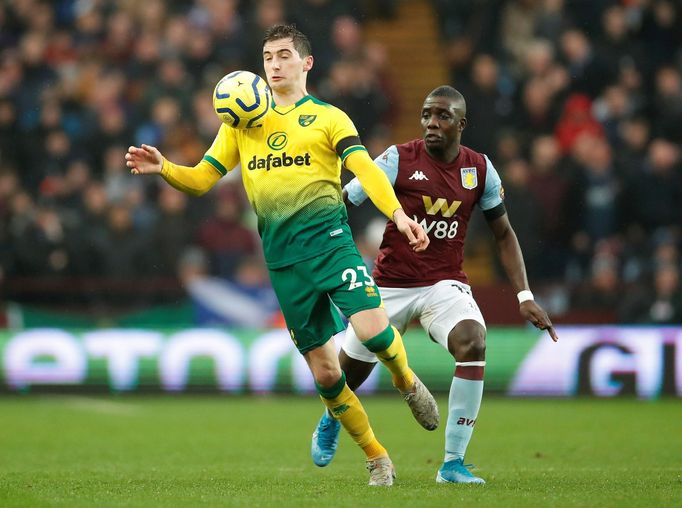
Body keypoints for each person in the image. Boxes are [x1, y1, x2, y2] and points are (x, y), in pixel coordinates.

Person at [126, 24, 439, 487]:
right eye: (268, 56)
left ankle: (406, 381)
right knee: (327, 373)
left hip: (331, 245)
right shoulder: (241, 123)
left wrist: (398, 215)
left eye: (284, 55)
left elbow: (365, 170)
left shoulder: (330, 118)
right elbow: (201, 180)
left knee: (373, 331)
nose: (274, 64)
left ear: (306, 63)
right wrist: (164, 168)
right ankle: (377, 457)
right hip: (284, 264)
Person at [310, 85, 559, 484]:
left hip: (443, 284)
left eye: (442, 116)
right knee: (345, 377)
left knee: (473, 341)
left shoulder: (480, 169)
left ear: (461, 123)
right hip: (388, 285)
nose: (431, 123)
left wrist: (524, 296)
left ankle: (453, 464)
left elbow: (504, 234)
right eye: (427, 114)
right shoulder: (396, 159)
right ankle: (331, 417)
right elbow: (344, 201)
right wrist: (337, 258)